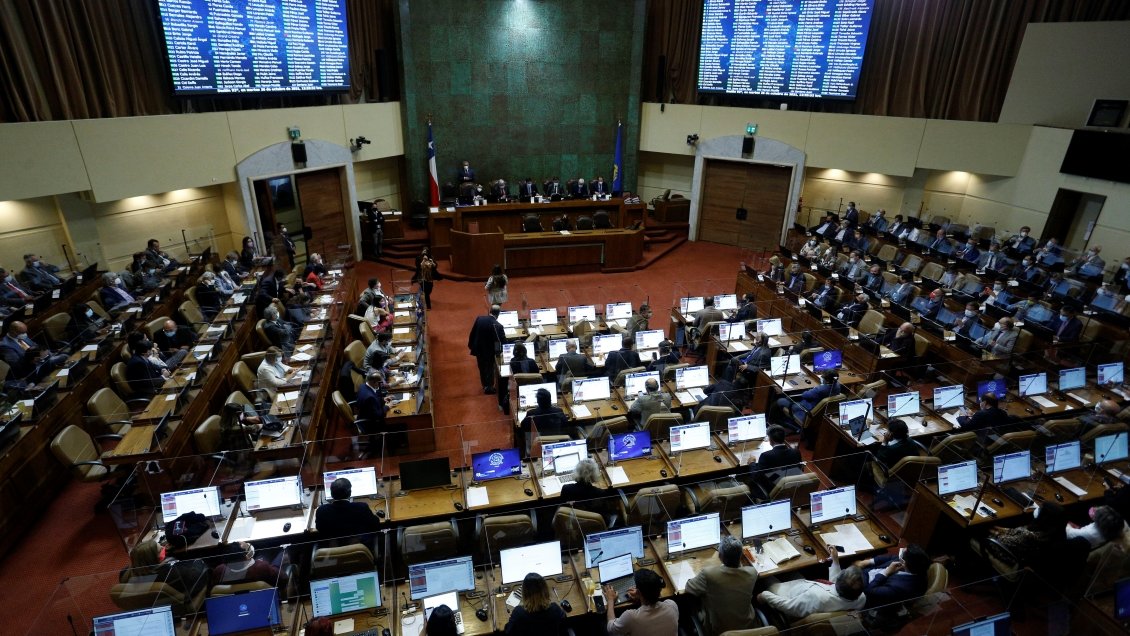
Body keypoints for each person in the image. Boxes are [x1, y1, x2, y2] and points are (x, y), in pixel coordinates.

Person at [759, 548, 866, 619]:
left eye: (843, 572)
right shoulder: (861, 598)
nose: (842, 571)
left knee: (766, 575)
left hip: (789, 596)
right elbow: (835, 587)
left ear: (839, 578)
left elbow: (788, 607)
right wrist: (835, 560)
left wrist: (765, 595)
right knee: (791, 568)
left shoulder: (817, 597)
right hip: (805, 586)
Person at [685, 536, 758, 635]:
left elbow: (689, 588)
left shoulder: (709, 574)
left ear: (720, 556)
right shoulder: (752, 573)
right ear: (741, 556)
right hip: (748, 627)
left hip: (718, 630)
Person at [978, 502, 1067, 567]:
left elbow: (1002, 540)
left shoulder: (1029, 535)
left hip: (1008, 554)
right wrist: (998, 528)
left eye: (1040, 510)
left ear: (1044, 517)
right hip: (1020, 548)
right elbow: (1016, 531)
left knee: (977, 530)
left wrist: (991, 530)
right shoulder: (1053, 530)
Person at [854, 544, 932, 609]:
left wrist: (885, 573)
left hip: (864, 590)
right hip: (866, 571)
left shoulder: (901, 588)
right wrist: (868, 562)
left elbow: (869, 591)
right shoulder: (912, 563)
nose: (900, 551)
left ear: (904, 563)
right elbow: (891, 557)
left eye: (902, 553)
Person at [604, 568, 678, 636]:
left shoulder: (631, 617)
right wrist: (641, 597)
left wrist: (610, 600)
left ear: (638, 591)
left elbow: (611, 629)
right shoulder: (672, 605)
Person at [315, 477, 381, 541]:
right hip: (359, 549)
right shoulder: (361, 507)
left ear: (331, 494)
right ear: (350, 493)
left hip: (332, 550)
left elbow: (320, 529)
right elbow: (375, 524)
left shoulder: (321, 511)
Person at [0, 320, 66, 383]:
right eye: (23, 333)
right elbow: (16, 364)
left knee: (63, 356)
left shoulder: (22, 336)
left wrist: (50, 353)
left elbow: (36, 347)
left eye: (25, 332)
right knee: (63, 357)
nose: (25, 334)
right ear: (13, 332)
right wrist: (35, 358)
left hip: (40, 362)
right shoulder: (4, 345)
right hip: (28, 371)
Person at [774, 371, 843, 431]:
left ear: (827, 381)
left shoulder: (819, 390)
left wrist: (815, 388)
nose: (821, 377)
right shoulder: (837, 385)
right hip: (820, 413)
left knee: (781, 400)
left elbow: (805, 395)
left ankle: (778, 422)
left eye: (822, 377)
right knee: (790, 397)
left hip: (805, 409)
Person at [211, 541, 284, 588]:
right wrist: (271, 567)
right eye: (246, 549)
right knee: (283, 550)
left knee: (264, 553)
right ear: (246, 557)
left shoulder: (219, 571)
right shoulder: (260, 567)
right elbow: (283, 579)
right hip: (272, 573)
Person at [468, 305, 506, 394]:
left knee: (481, 367)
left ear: (490, 311)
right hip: (489, 352)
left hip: (478, 349)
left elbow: (472, 333)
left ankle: (484, 385)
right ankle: (489, 388)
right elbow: (501, 341)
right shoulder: (498, 326)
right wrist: (499, 352)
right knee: (489, 369)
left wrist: (471, 345)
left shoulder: (479, 319)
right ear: (498, 314)